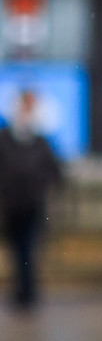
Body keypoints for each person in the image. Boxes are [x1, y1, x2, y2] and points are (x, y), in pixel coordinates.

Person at [0, 89, 63, 311]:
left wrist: (41, 186)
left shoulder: (40, 141)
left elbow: (54, 170)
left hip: (33, 205)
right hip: (11, 205)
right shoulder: (5, 139)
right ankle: (22, 291)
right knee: (17, 250)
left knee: (29, 249)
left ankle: (28, 293)